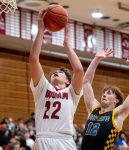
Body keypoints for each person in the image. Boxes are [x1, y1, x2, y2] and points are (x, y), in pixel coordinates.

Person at [29, 8, 84, 150]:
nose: (55, 73)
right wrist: (41, 30)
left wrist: (67, 47)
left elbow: (78, 70)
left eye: (60, 72)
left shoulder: (72, 93)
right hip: (43, 139)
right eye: (54, 72)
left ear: (67, 81)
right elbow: (34, 59)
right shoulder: (42, 87)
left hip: (65, 140)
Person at [81, 48, 129, 150]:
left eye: (109, 93)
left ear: (116, 100)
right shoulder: (93, 109)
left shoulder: (117, 115)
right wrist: (96, 59)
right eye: (104, 93)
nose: (104, 95)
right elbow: (86, 82)